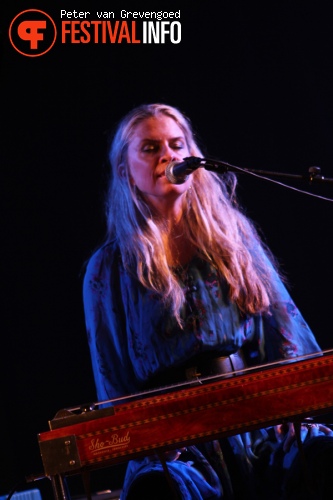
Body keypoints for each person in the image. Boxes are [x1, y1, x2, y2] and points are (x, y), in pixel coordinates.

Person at [83, 103, 321, 499]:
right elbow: (112, 381)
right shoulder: (107, 268)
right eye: (150, 147)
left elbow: (285, 331)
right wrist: (148, 440)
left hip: (254, 421)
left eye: (177, 144)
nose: (168, 155)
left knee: (319, 455)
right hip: (175, 446)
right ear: (125, 170)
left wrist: (293, 412)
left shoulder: (233, 239)